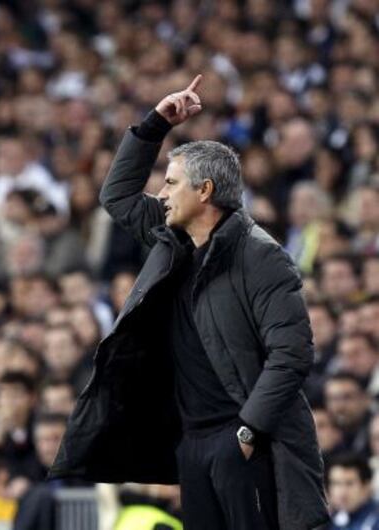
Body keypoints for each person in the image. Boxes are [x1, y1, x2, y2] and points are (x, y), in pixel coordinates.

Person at [50, 76, 328, 530]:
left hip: (242, 442)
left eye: (172, 182)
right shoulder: (170, 238)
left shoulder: (261, 256)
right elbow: (115, 196)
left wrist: (247, 431)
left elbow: (292, 354)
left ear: (204, 192)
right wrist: (155, 124)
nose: (160, 193)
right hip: (191, 442)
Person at [325, 452, 379, 530]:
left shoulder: (376, 520)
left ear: (366, 486)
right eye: (336, 483)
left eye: (349, 483)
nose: (342, 492)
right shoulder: (332, 520)